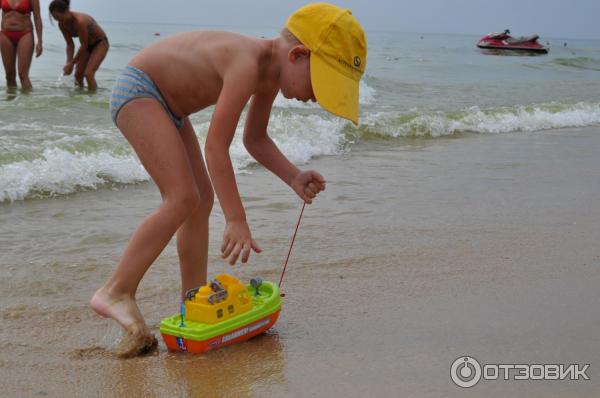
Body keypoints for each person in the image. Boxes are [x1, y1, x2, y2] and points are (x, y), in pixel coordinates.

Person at [90, 2, 367, 357]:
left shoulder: (269, 72)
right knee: (183, 198)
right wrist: (236, 219)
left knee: (199, 202)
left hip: (169, 107)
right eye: (319, 84)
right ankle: (116, 291)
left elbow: (256, 139)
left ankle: (192, 304)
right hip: (141, 91)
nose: (316, 98)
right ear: (297, 55)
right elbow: (216, 149)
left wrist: (293, 176)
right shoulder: (247, 63)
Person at [49, 0, 108, 90]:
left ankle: (92, 99)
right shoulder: (61, 24)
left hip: (100, 43)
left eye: (58, 17)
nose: (57, 20)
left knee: (88, 74)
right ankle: (80, 101)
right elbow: (70, 44)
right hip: (87, 46)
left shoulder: (80, 22)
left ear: (66, 11)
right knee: (78, 76)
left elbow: (83, 45)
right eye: (54, 18)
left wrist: (72, 63)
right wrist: (68, 63)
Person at [0, 0, 42, 90]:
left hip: (25, 34)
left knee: (23, 75)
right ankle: (11, 102)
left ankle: (28, 103)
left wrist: (40, 41)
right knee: (9, 75)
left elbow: (37, 18)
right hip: (5, 34)